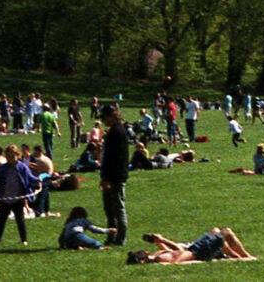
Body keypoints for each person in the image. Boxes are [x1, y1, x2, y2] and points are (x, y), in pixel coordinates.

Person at [0, 144, 39, 246]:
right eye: (8, 157)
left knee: (20, 219)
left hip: (18, 198)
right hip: (5, 198)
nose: (10, 159)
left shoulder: (22, 167)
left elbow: (30, 178)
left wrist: (38, 181)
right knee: (1, 220)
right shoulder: (3, 168)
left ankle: (24, 239)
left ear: (17, 155)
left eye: (12, 156)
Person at [128, 227, 255, 264]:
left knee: (215, 231)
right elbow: (179, 251)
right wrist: (163, 239)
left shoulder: (156, 256)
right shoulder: (160, 259)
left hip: (196, 248)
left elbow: (168, 251)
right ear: (144, 258)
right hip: (199, 252)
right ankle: (246, 257)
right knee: (226, 232)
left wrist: (158, 242)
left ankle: (236, 257)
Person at [100, 104, 129, 246]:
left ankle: (120, 238)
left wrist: (107, 178)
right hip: (114, 175)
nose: (104, 120)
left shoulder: (116, 132)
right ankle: (112, 235)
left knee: (117, 208)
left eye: (105, 117)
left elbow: (114, 158)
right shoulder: (116, 130)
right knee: (110, 208)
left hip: (114, 176)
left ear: (112, 116)